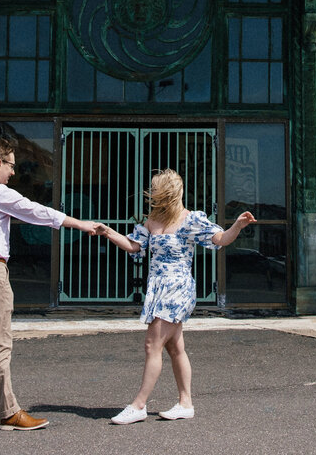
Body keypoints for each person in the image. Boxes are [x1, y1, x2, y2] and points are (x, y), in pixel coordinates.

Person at [0, 137, 100, 431]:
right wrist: (81, 224)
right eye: (10, 165)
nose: (13, 173)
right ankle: (9, 413)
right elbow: (35, 211)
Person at [95, 169, 256, 424]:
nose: (154, 195)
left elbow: (221, 239)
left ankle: (138, 406)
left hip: (177, 288)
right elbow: (134, 246)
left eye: (157, 190)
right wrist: (108, 233)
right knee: (174, 346)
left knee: (152, 344)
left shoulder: (189, 219)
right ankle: (186, 403)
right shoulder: (153, 220)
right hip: (158, 287)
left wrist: (237, 224)